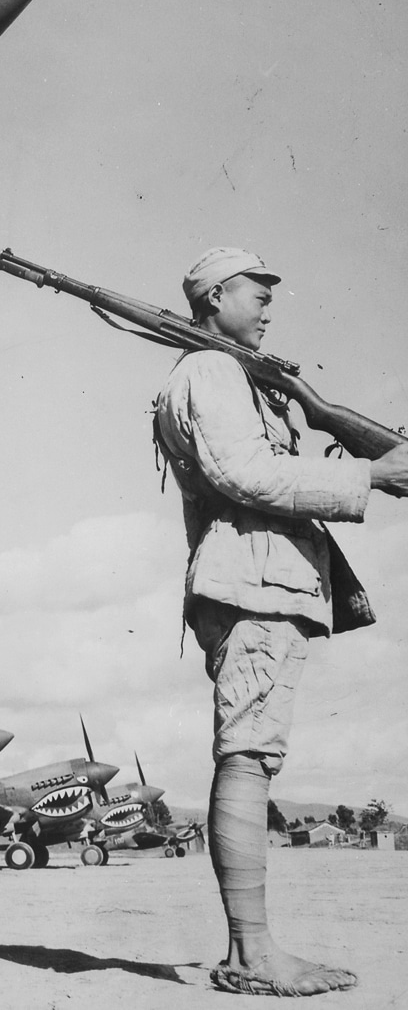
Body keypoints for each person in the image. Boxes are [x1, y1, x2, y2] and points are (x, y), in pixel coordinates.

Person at [153, 246, 408, 998]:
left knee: (253, 754)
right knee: (247, 754)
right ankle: (252, 954)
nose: (269, 305)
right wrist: (367, 472)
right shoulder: (210, 370)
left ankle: (252, 948)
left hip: (266, 584)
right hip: (254, 587)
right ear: (214, 297)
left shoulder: (236, 373)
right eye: (255, 293)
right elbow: (247, 475)